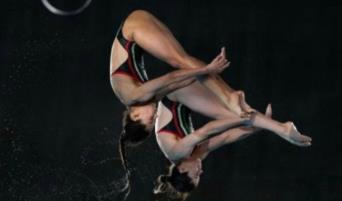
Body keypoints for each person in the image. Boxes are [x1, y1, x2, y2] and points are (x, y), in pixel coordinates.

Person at [111, 10, 310, 147]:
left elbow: (173, 75)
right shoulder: (147, 100)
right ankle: (281, 128)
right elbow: (184, 80)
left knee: (180, 61)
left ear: (134, 115)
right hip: (139, 33)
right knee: (219, 99)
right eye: (154, 120)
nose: (155, 117)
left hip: (132, 29)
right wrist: (210, 75)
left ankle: (231, 99)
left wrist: (208, 70)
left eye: (149, 120)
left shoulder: (132, 96)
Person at [152, 97, 309, 201]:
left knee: (234, 111)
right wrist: (259, 127)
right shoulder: (195, 155)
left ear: (183, 169)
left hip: (175, 95)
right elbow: (225, 137)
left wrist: (242, 120)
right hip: (186, 98)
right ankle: (275, 126)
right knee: (237, 111)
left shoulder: (176, 153)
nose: (201, 171)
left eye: (196, 174)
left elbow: (208, 130)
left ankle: (281, 129)